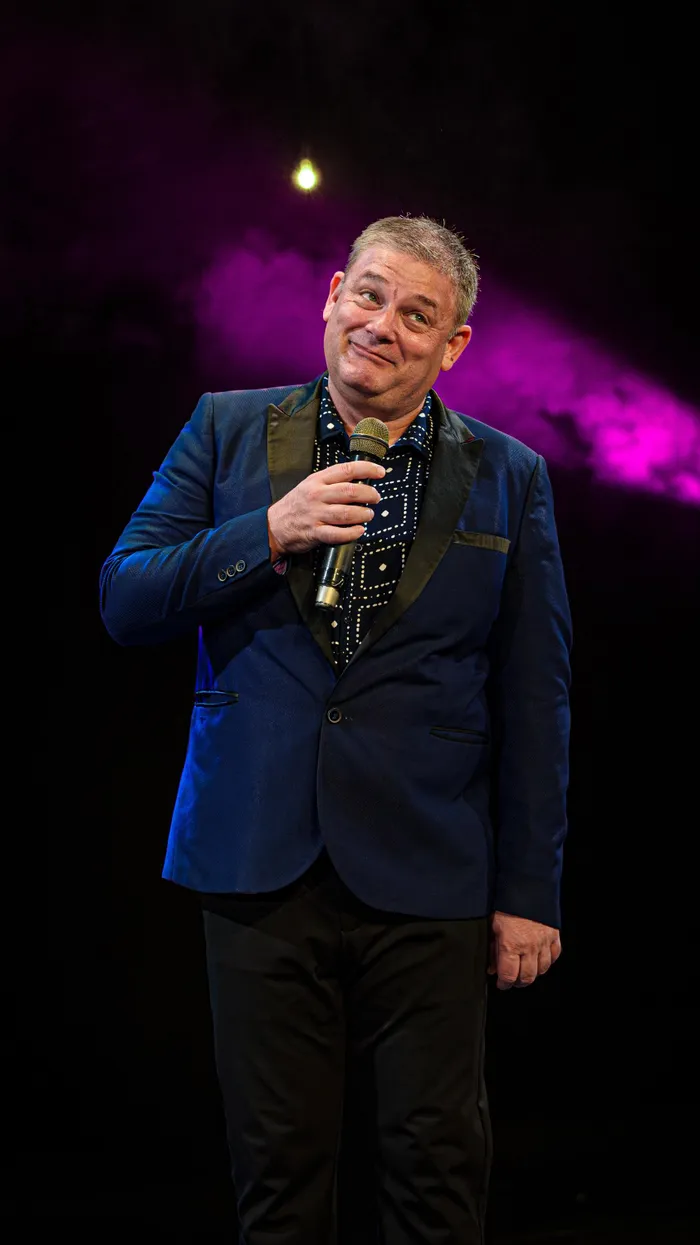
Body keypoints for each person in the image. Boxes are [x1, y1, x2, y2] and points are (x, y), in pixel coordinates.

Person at [100, 214, 571, 1245]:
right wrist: (267, 530)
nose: (382, 325)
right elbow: (125, 597)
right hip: (256, 855)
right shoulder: (226, 430)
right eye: (369, 294)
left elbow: (536, 698)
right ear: (331, 296)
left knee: (436, 1173)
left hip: (430, 867)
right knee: (277, 1176)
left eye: (417, 315)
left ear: (453, 345)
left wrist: (529, 892)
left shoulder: (509, 476)